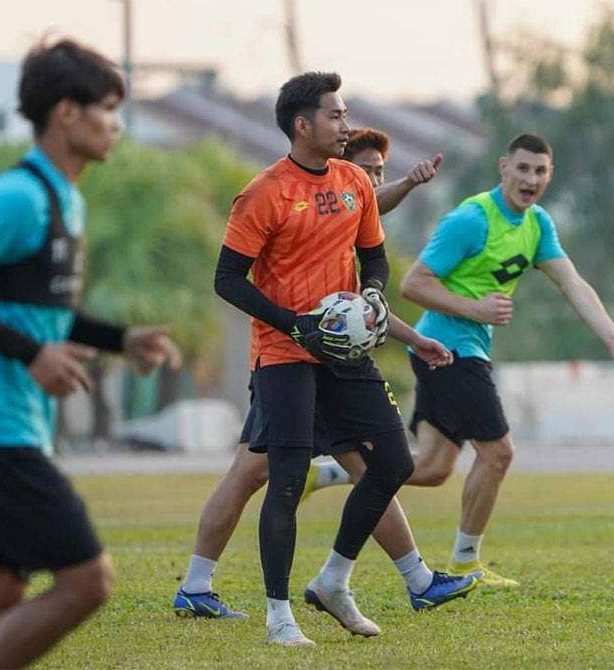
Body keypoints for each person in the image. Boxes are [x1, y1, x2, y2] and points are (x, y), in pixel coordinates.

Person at [0, 38, 181, 670]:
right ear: (66, 113)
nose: (116, 125)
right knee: (88, 582)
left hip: (5, 427)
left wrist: (120, 340)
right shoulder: (18, 197)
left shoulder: (68, 199)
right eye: (108, 109)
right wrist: (33, 354)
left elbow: (40, 307)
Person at [204, 71, 478, 647]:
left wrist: (374, 295)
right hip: (284, 354)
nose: (344, 124)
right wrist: (295, 323)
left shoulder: (355, 180)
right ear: (302, 125)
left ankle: (332, 580)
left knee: (394, 463)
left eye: (344, 113)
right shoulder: (264, 193)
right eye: (335, 115)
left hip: (347, 353)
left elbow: (373, 258)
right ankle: (280, 617)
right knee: (284, 483)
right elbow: (227, 280)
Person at [399, 132, 614, 587]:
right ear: (503, 167)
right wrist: (475, 309)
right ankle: (464, 565)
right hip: (445, 348)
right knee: (497, 453)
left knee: (432, 468)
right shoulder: (472, 219)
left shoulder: (537, 225)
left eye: (540, 171)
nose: (530, 179)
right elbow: (413, 284)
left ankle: (327, 472)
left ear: (549, 176)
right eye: (523, 168)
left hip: (462, 349)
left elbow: (573, 284)